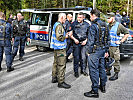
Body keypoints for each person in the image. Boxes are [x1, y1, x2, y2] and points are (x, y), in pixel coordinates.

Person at [84, 9, 110, 98]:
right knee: (102, 68)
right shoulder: (105, 25)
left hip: (95, 51)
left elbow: (90, 41)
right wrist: (106, 50)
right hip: (102, 50)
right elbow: (108, 39)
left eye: (90, 16)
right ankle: (103, 86)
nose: (90, 17)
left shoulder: (93, 26)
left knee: (93, 70)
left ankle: (94, 91)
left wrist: (88, 52)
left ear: (93, 15)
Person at [50, 13, 71, 89]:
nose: (65, 20)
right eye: (65, 18)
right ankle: (61, 82)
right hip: (60, 49)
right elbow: (60, 37)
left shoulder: (56, 24)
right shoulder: (59, 25)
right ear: (61, 17)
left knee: (55, 63)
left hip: (56, 48)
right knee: (61, 65)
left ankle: (54, 77)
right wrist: (68, 36)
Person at [107, 12, 129, 81]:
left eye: (108, 18)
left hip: (115, 47)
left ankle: (116, 74)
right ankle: (108, 71)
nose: (107, 20)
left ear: (113, 18)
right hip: (108, 46)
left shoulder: (118, 25)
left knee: (116, 60)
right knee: (108, 59)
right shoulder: (108, 25)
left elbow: (127, 33)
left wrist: (121, 41)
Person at [70, 12, 90, 78]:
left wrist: (86, 40)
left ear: (83, 18)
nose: (78, 18)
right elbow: (70, 34)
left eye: (80, 17)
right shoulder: (73, 24)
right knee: (76, 58)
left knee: (83, 58)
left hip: (84, 43)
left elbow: (89, 34)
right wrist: (74, 39)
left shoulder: (87, 24)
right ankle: (76, 72)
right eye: (78, 17)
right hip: (76, 43)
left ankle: (83, 70)